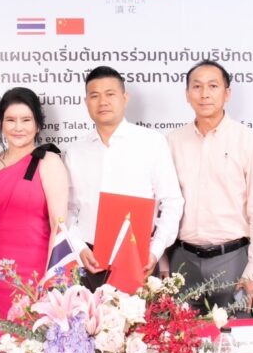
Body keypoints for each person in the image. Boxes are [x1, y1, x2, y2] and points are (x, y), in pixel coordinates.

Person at [167, 60, 253, 314]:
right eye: (197, 86)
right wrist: (162, 262)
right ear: (187, 94)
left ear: (227, 93)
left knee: (236, 335)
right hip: (183, 261)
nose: (204, 94)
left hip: (234, 260)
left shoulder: (250, 142)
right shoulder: (172, 142)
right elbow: (163, 206)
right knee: (179, 336)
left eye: (213, 86)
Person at [65, 66, 183, 290]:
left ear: (125, 98)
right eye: (94, 96)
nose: (103, 102)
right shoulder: (75, 151)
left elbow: (172, 202)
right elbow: (68, 209)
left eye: (110, 94)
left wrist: (155, 251)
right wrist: (79, 248)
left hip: (138, 259)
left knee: (139, 314)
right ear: (86, 102)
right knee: (86, 314)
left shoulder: (151, 142)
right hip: (90, 261)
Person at [0, 88, 68, 315]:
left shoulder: (49, 162)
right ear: (0, 124)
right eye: (11, 120)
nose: (18, 127)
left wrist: (49, 281)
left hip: (35, 276)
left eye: (26, 120)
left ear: (38, 125)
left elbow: (59, 227)